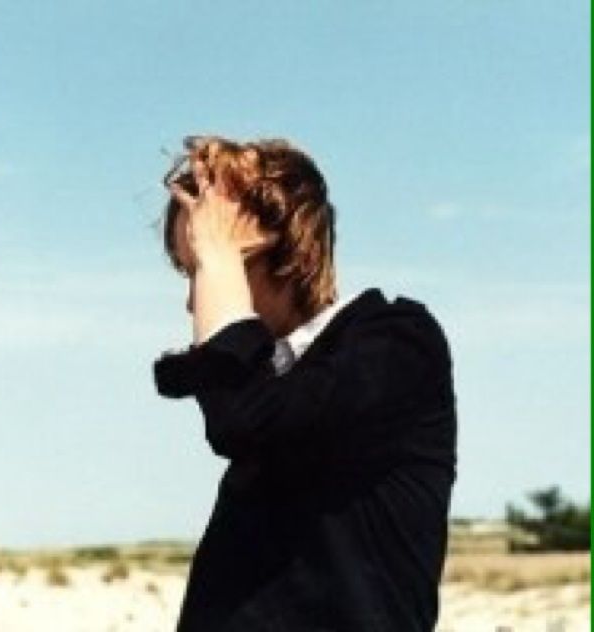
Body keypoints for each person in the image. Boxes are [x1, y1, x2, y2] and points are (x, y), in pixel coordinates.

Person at [153, 135, 458, 631]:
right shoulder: (269, 377)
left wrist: (219, 264)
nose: (194, 301)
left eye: (204, 270)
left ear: (286, 251)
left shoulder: (396, 342)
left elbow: (245, 423)